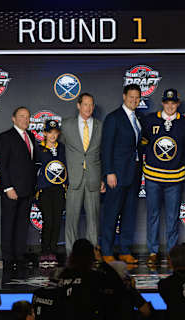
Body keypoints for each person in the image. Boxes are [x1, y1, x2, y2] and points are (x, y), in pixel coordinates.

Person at [142, 88, 185, 265]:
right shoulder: (149, 120)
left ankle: (172, 253)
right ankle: (153, 251)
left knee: (172, 217)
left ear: (177, 104)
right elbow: (144, 144)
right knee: (152, 215)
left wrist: (181, 166)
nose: (170, 106)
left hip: (175, 179)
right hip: (153, 177)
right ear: (163, 103)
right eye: (167, 102)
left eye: (173, 102)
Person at [101, 84, 143, 264]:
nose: (134, 100)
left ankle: (125, 250)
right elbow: (106, 148)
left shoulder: (137, 118)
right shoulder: (113, 118)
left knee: (129, 213)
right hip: (116, 175)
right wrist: (109, 172)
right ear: (124, 96)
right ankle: (107, 251)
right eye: (131, 97)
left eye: (137, 98)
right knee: (111, 214)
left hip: (133, 174)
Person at [60, 93, 104, 255]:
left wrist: (102, 178)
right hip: (74, 178)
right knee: (72, 219)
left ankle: (92, 253)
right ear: (78, 106)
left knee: (93, 219)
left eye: (91, 105)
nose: (89, 108)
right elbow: (59, 150)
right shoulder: (66, 125)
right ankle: (71, 253)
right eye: (85, 104)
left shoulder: (100, 125)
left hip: (93, 177)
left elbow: (102, 153)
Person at [0, 106, 36, 268]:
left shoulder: (31, 136)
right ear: (13, 118)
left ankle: (19, 255)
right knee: (8, 224)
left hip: (27, 190)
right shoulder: (5, 137)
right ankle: (7, 257)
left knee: (22, 225)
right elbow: (2, 164)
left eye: (27, 116)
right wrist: (8, 187)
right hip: (11, 190)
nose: (25, 119)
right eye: (21, 116)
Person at [35, 119, 67, 267]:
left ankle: (53, 250)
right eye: (50, 132)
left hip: (59, 189)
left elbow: (66, 167)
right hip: (45, 190)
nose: (52, 135)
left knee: (57, 220)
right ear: (45, 133)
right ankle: (44, 251)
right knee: (48, 220)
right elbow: (34, 170)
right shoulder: (39, 149)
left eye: (55, 133)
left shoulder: (62, 148)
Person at [58, 239, 106, 319]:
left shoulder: (63, 275)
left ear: (72, 255)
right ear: (91, 256)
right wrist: (102, 261)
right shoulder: (95, 276)